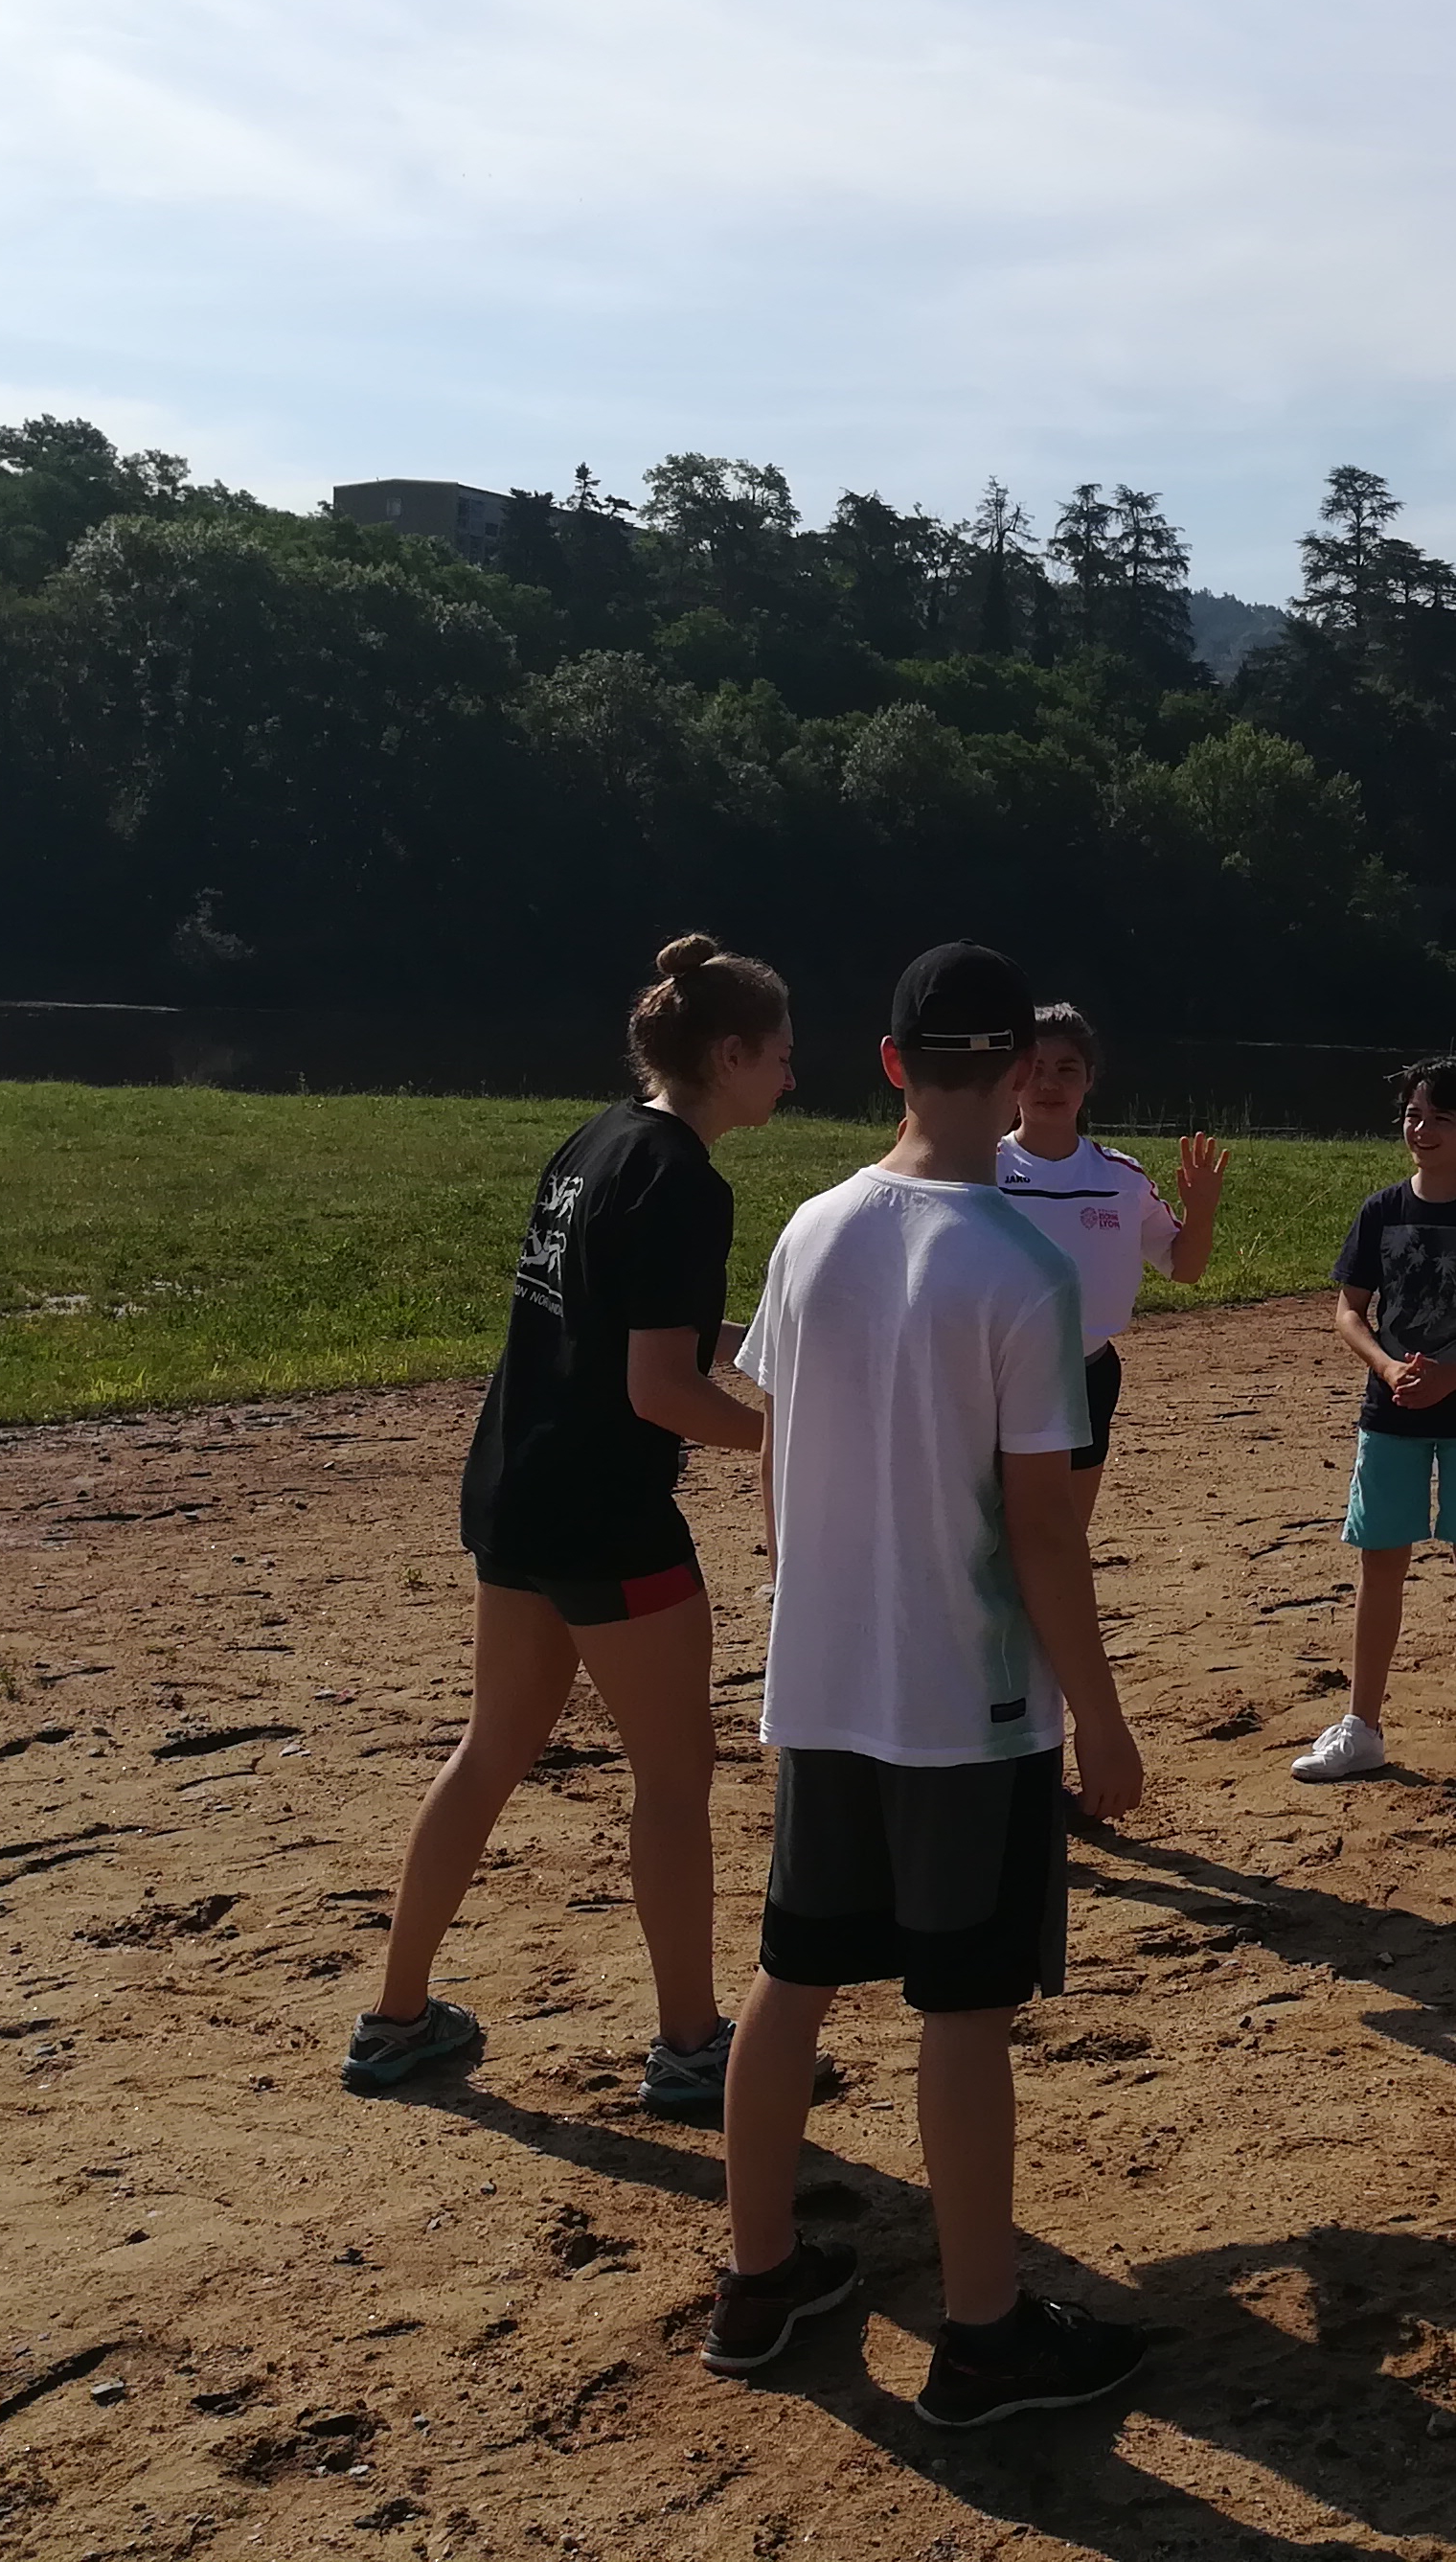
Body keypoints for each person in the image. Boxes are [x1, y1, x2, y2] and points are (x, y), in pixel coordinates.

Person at [705, 940, 1153, 2426]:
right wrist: (1100, 1716)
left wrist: (814, 1606)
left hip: (824, 1678)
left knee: (793, 1974)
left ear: (892, 1062)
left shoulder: (809, 1229)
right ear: (1022, 1072)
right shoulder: (1023, 1269)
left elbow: (773, 1459)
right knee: (962, 2006)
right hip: (970, 1700)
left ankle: (758, 2276)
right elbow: (1042, 1530)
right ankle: (980, 2332)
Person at [347, 933, 788, 2119]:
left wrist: (778, 1352)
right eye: (780, 1055)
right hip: (606, 1517)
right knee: (675, 1778)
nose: (791, 1076)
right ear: (729, 1055)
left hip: (518, 1490)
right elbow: (661, 1391)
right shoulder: (685, 1181)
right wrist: (791, 1440)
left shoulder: (599, 1141)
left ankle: (395, 2018)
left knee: (491, 1748)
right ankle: (691, 2047)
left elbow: (629, 1325)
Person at [1289, 1055, 1456, 1791]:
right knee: (1381, 1566)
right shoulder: (1381, 1212)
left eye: (1441, 1118)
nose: (1422, 1129)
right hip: (1392, 1414)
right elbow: (1349, 1311)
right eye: (1413, 1114)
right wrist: (1386, 1368)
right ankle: (1362, 1727)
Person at [994, 1003, 1227, 1535]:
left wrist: (1201, 1212)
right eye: (1035, 1068)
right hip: (996, 1375)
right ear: (1013, 1076)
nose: (1049, 1084)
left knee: (1066, 1533)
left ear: (1090, 1079)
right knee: (992, 1531)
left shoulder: (1120, 1177)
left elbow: (1184, 1268)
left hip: (1087, 1372)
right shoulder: (982, 1168)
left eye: (1067, 1069)